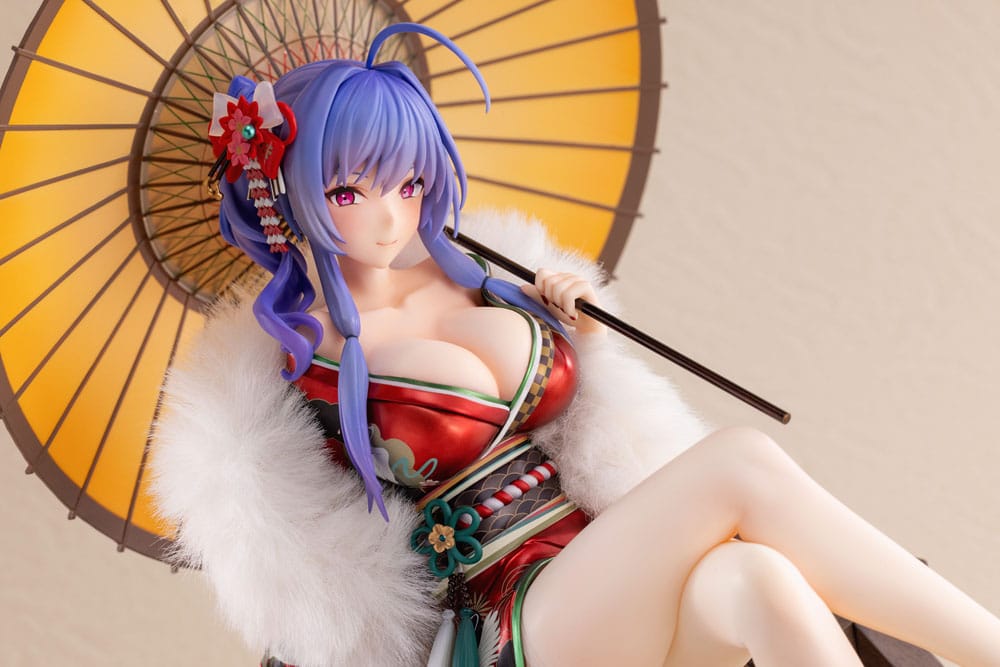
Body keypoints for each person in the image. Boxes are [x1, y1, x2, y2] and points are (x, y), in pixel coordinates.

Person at [150, 22, 1000, 667]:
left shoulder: (483, 274)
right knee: (738, 461)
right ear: (284, 194)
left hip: (605, 562)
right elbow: (323, 574)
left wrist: (575, 325)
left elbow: (587, 424)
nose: (390, 214)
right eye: (348, 190)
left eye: (408, 181)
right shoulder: (303, 365)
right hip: (514, 617)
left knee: (758, 583)